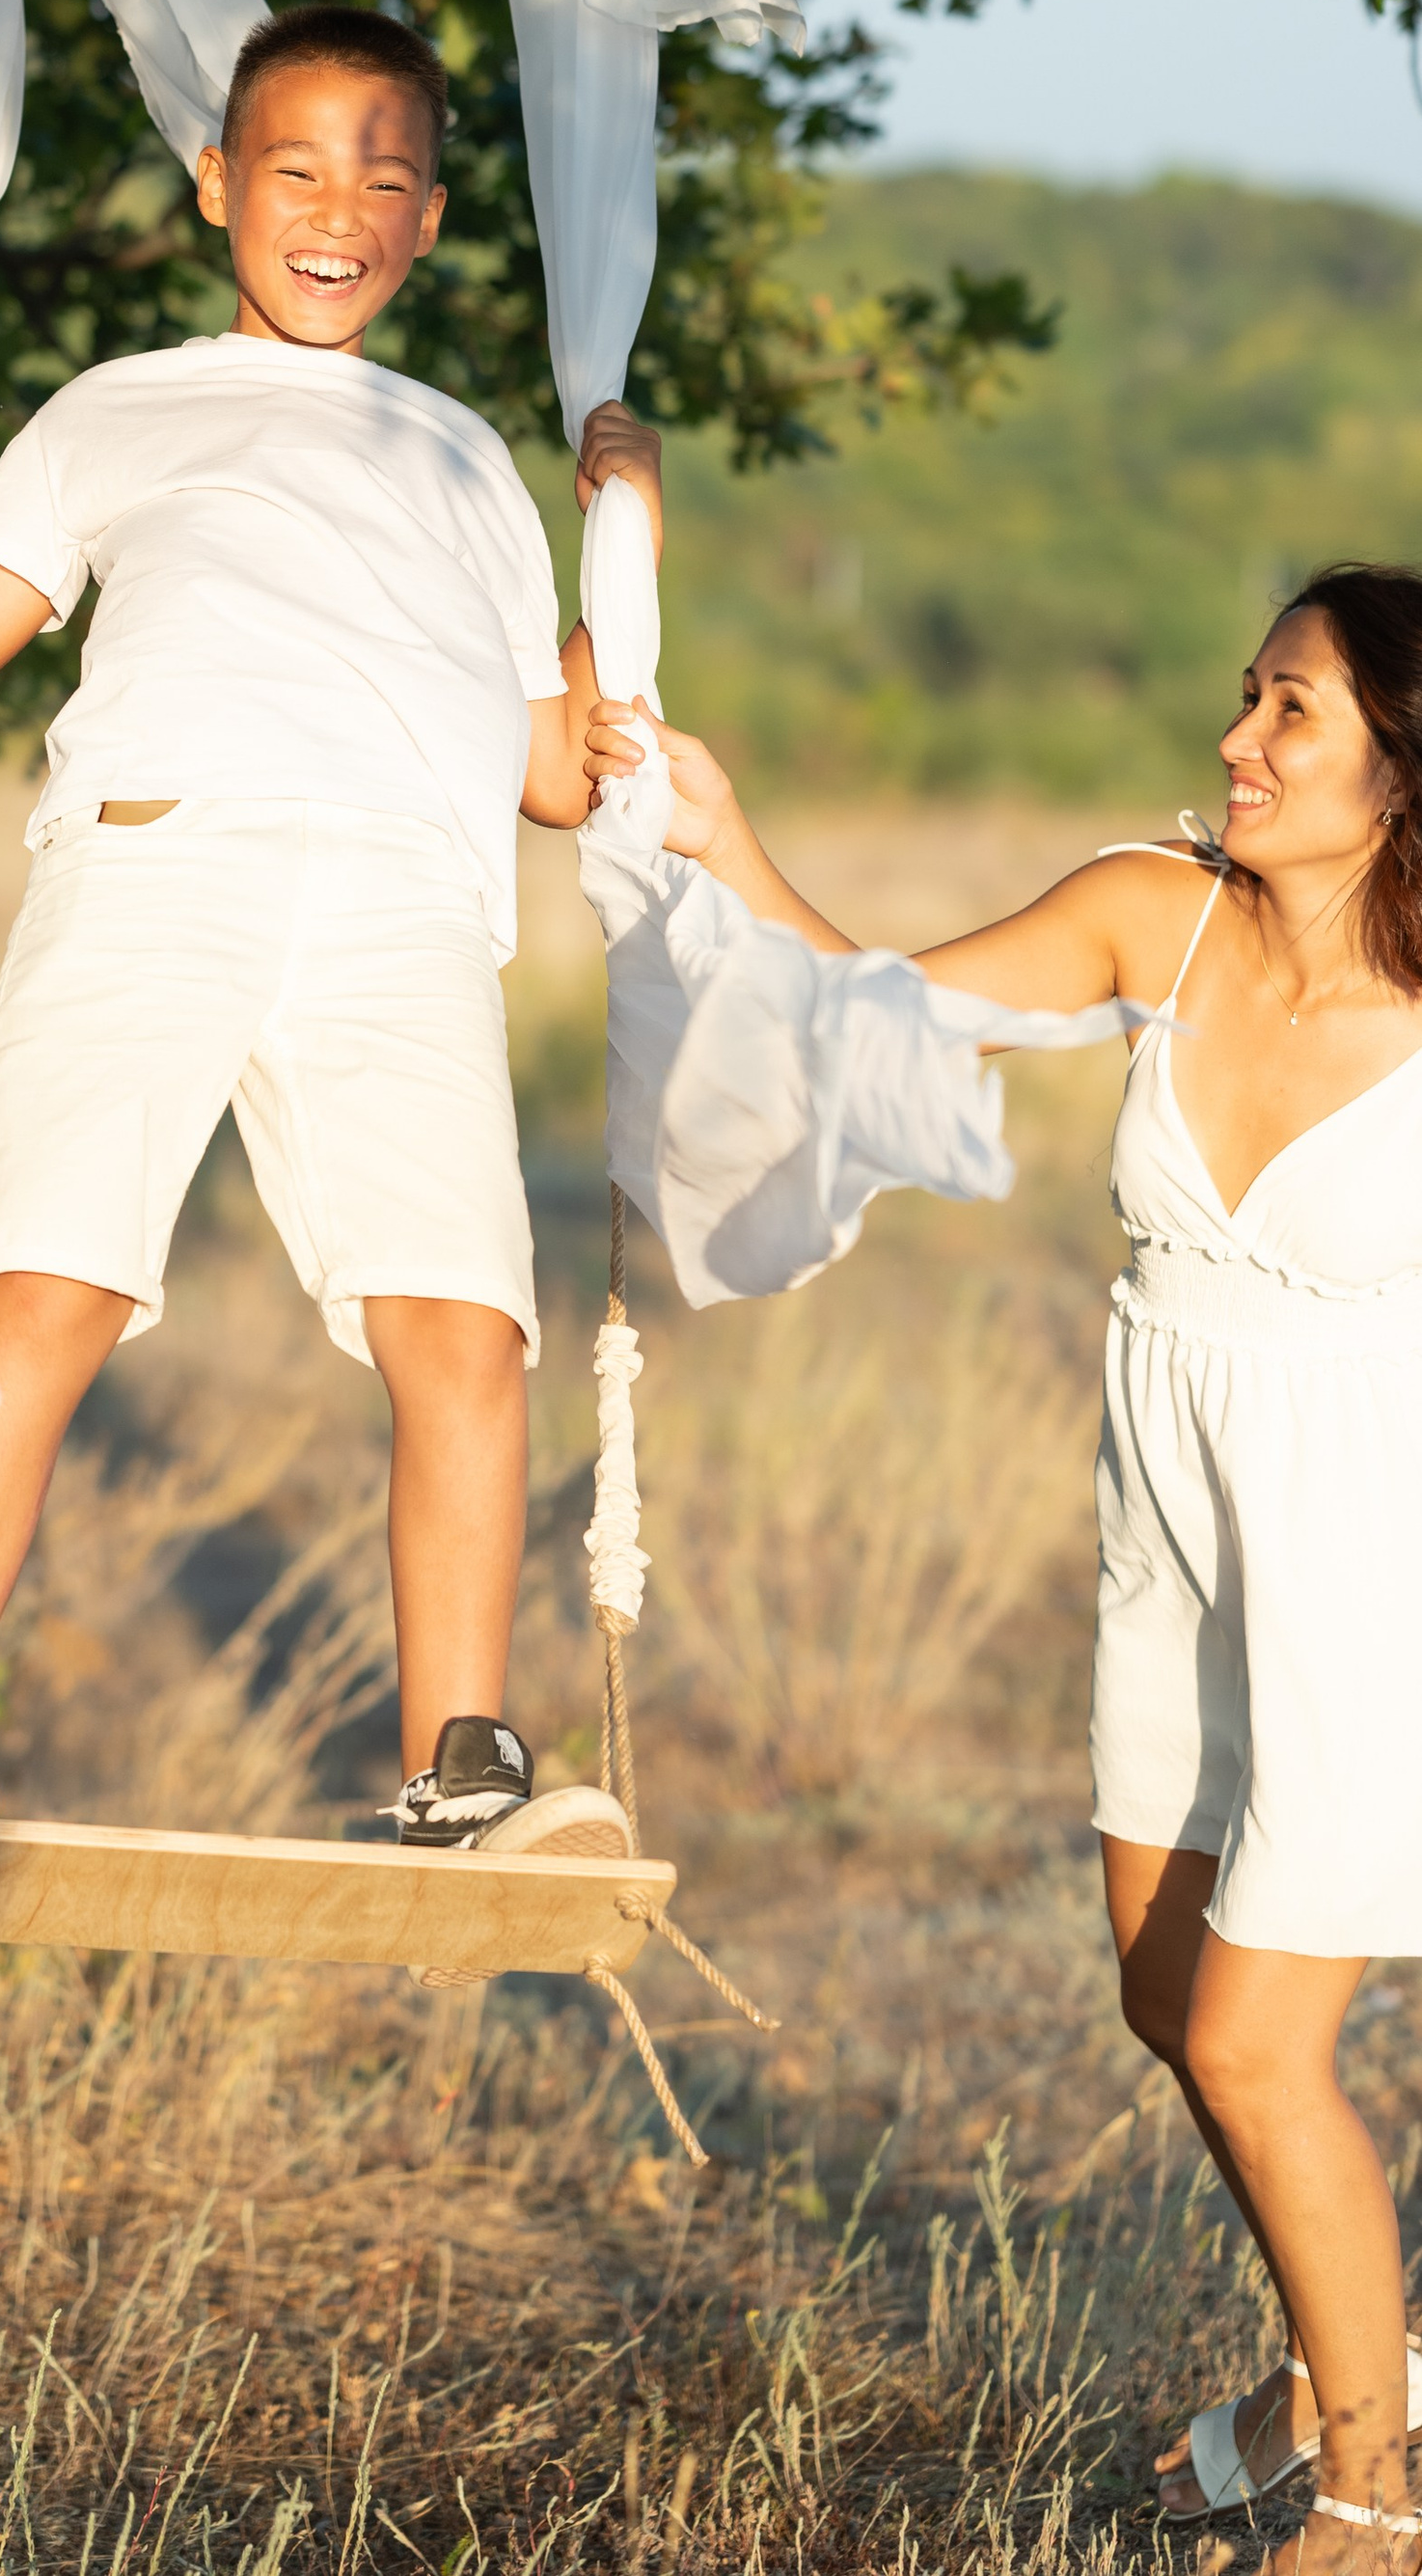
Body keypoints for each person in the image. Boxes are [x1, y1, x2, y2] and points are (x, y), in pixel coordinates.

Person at [587, 562, 1422, 2576]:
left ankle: (1366, 2487)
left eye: (1288, 709)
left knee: (1252, 2038)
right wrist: (724, 839)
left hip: (1363, 1542)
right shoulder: (1163, 907)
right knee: (1163, 1992)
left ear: (1401, 759)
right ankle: (1341, 2369)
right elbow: (882, 1007)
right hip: (1167, 1514)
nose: (1236, 735)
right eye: (1243, 694)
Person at [0, 0, 657, 1876]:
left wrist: (626, 544)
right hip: (153, 852)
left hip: (399, 898)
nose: (335, 206)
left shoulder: (460, 456)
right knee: (50, 1284)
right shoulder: (119, 404)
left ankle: (461, 1759)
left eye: (382, 172)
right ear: (215, 185)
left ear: (431, 215)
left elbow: (545, 766)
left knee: (465, 1329)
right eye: (293, 165)